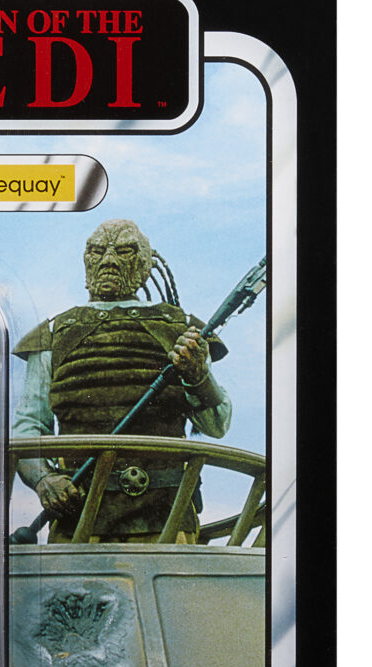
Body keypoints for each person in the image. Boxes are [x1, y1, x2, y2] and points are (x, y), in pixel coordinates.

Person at [13, 219, 232, 543]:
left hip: (167, 519)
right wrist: (45, 480)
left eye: (125, 251)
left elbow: (217, 424)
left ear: (145, 264)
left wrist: (198, 376)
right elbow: (28, 427)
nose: (109, 260)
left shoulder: (181, 329)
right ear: (86, 260)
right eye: (97, 251)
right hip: (79, 518)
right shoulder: (54, 334)